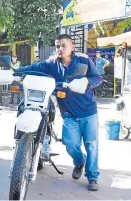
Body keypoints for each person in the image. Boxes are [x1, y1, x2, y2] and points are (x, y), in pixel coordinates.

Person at [13, 34, 103, 191]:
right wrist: (17, 71)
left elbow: (97, 78)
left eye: (63, 46)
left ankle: (92, 176)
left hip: (89, 111)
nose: (60, 49)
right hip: (69, 113)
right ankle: (80, 162)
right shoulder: (52, 64)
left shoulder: (83, 60)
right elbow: (36, 68)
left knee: (91, 144)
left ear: (72, 47)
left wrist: (87, 81)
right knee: (70, 144)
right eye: (57, 46)